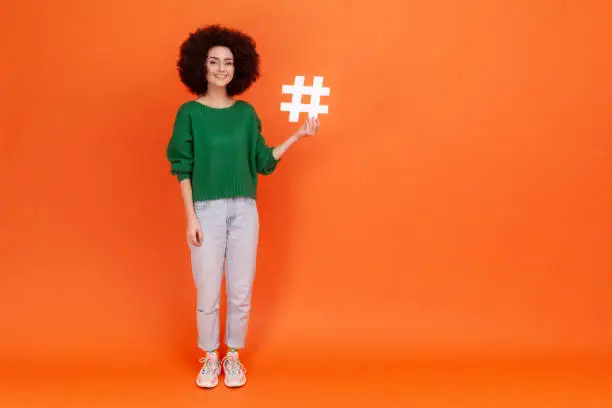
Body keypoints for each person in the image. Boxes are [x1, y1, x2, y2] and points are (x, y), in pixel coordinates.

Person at [166, 25, 320, 389]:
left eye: (229, 62)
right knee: (207, 287)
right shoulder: (189, 113)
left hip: (245, 212)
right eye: (214, 62)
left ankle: (233, 356)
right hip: (205, 209)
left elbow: (263, 162)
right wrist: (191, 217)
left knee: (240, 289)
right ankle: (210, 357)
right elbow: (181, 166)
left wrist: (298, 135)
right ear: (200, 66)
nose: (222, 68)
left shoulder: (247, 114)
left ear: (240, 68)